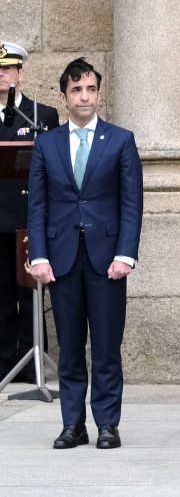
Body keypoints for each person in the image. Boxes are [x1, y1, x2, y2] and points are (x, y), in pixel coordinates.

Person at [27, 58, 142, 450]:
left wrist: (126, 254)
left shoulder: (121, 140)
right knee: (71, 346)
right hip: (61, 260)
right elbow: (37, 206)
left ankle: (108, 423)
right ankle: (72, 424)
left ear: (98, 93)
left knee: (107, 346)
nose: (84, 96)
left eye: (91, 89)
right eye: (76, 90)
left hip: (106, 260)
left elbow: (131, 203)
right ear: (64, 96)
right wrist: (38, 256)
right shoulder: (46, 143)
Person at [0, 42, 59, 384]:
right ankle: (5, 362)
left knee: (30, 291)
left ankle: (32, 360)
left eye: (8, 68)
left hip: (28, 217)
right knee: (2, 294)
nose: (3, 74)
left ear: (20, 73)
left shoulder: (42, 116)